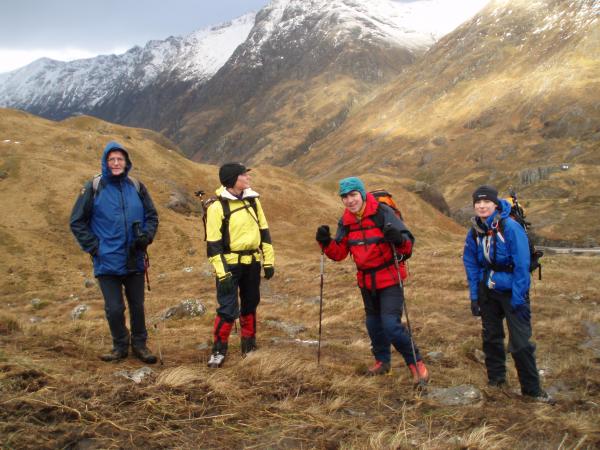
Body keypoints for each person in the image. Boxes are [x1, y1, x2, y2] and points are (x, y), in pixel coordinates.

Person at [315, 177, 429, 386]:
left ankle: (416, 364)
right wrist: (326, 242)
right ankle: (382, 362)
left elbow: (407, 247)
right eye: (345, 197)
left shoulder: (382, 213)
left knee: (391, 326)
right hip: (366, 281)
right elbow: (339, 253)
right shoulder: (346, 220)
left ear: (362, 194)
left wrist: (398, 239)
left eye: (353, 195)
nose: (350, 200)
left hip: (390, 278)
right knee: (373, 324)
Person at [70, 141, 159, 364]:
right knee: (115, 308)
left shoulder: (136, 186)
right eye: (112, 159)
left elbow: (152, 216)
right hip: (107, 260)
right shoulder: (94, 187)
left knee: (137, 306)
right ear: (105, 162)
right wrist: (95, 247)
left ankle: (140, 345)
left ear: (126, 162)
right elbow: (77, 221)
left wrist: (146, 237)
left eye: (120, 159)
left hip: (134, 257)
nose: (116, 163)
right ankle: (120, 345)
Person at [463, 185, 553, 402]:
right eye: (478, 202)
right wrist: (475, 296)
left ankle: (532, 391)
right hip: (488, 291)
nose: (482, 206)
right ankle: (496, 381)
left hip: (513, 291)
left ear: (495, 204)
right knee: (491, 338)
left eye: (486, 201)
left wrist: (518, 298)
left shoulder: (510, 227)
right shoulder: (475, 230)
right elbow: (471, 263)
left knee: (521, 343)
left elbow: (522, 265)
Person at [206, 162, 275, 368]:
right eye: (244, 175)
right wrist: (223, 274)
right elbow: (213, 245)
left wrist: (268, 261)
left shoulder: (253, 201)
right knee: (228, 309)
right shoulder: (217, 207)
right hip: (229, 266)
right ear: (232, 180)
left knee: (250, 304)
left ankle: (249, 346)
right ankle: (218, 350)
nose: (248, 178)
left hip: (252, 263)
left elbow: (264, 232)